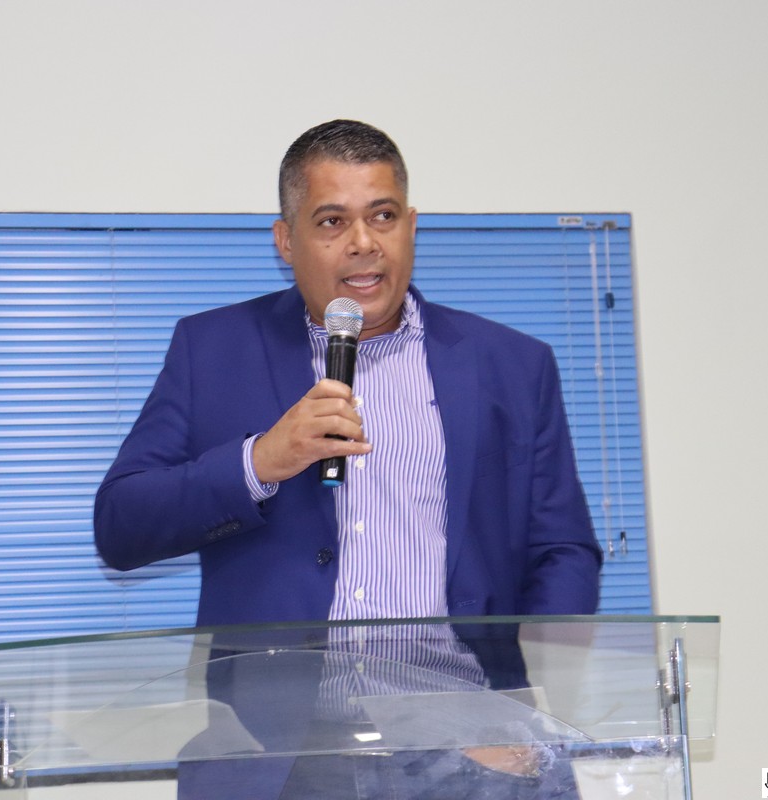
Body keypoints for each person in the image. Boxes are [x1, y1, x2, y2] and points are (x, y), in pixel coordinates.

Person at [95, 119, 602, 798]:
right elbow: (120, 525)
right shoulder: (212, 350)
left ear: (411, 226)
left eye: (382, 216)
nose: (363, 242)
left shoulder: (511, 364)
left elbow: (563, 550)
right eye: (332, 221)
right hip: (279, 752)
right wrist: (260, 461)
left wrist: (519, 711)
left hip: (463, 743)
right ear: (285, 240)